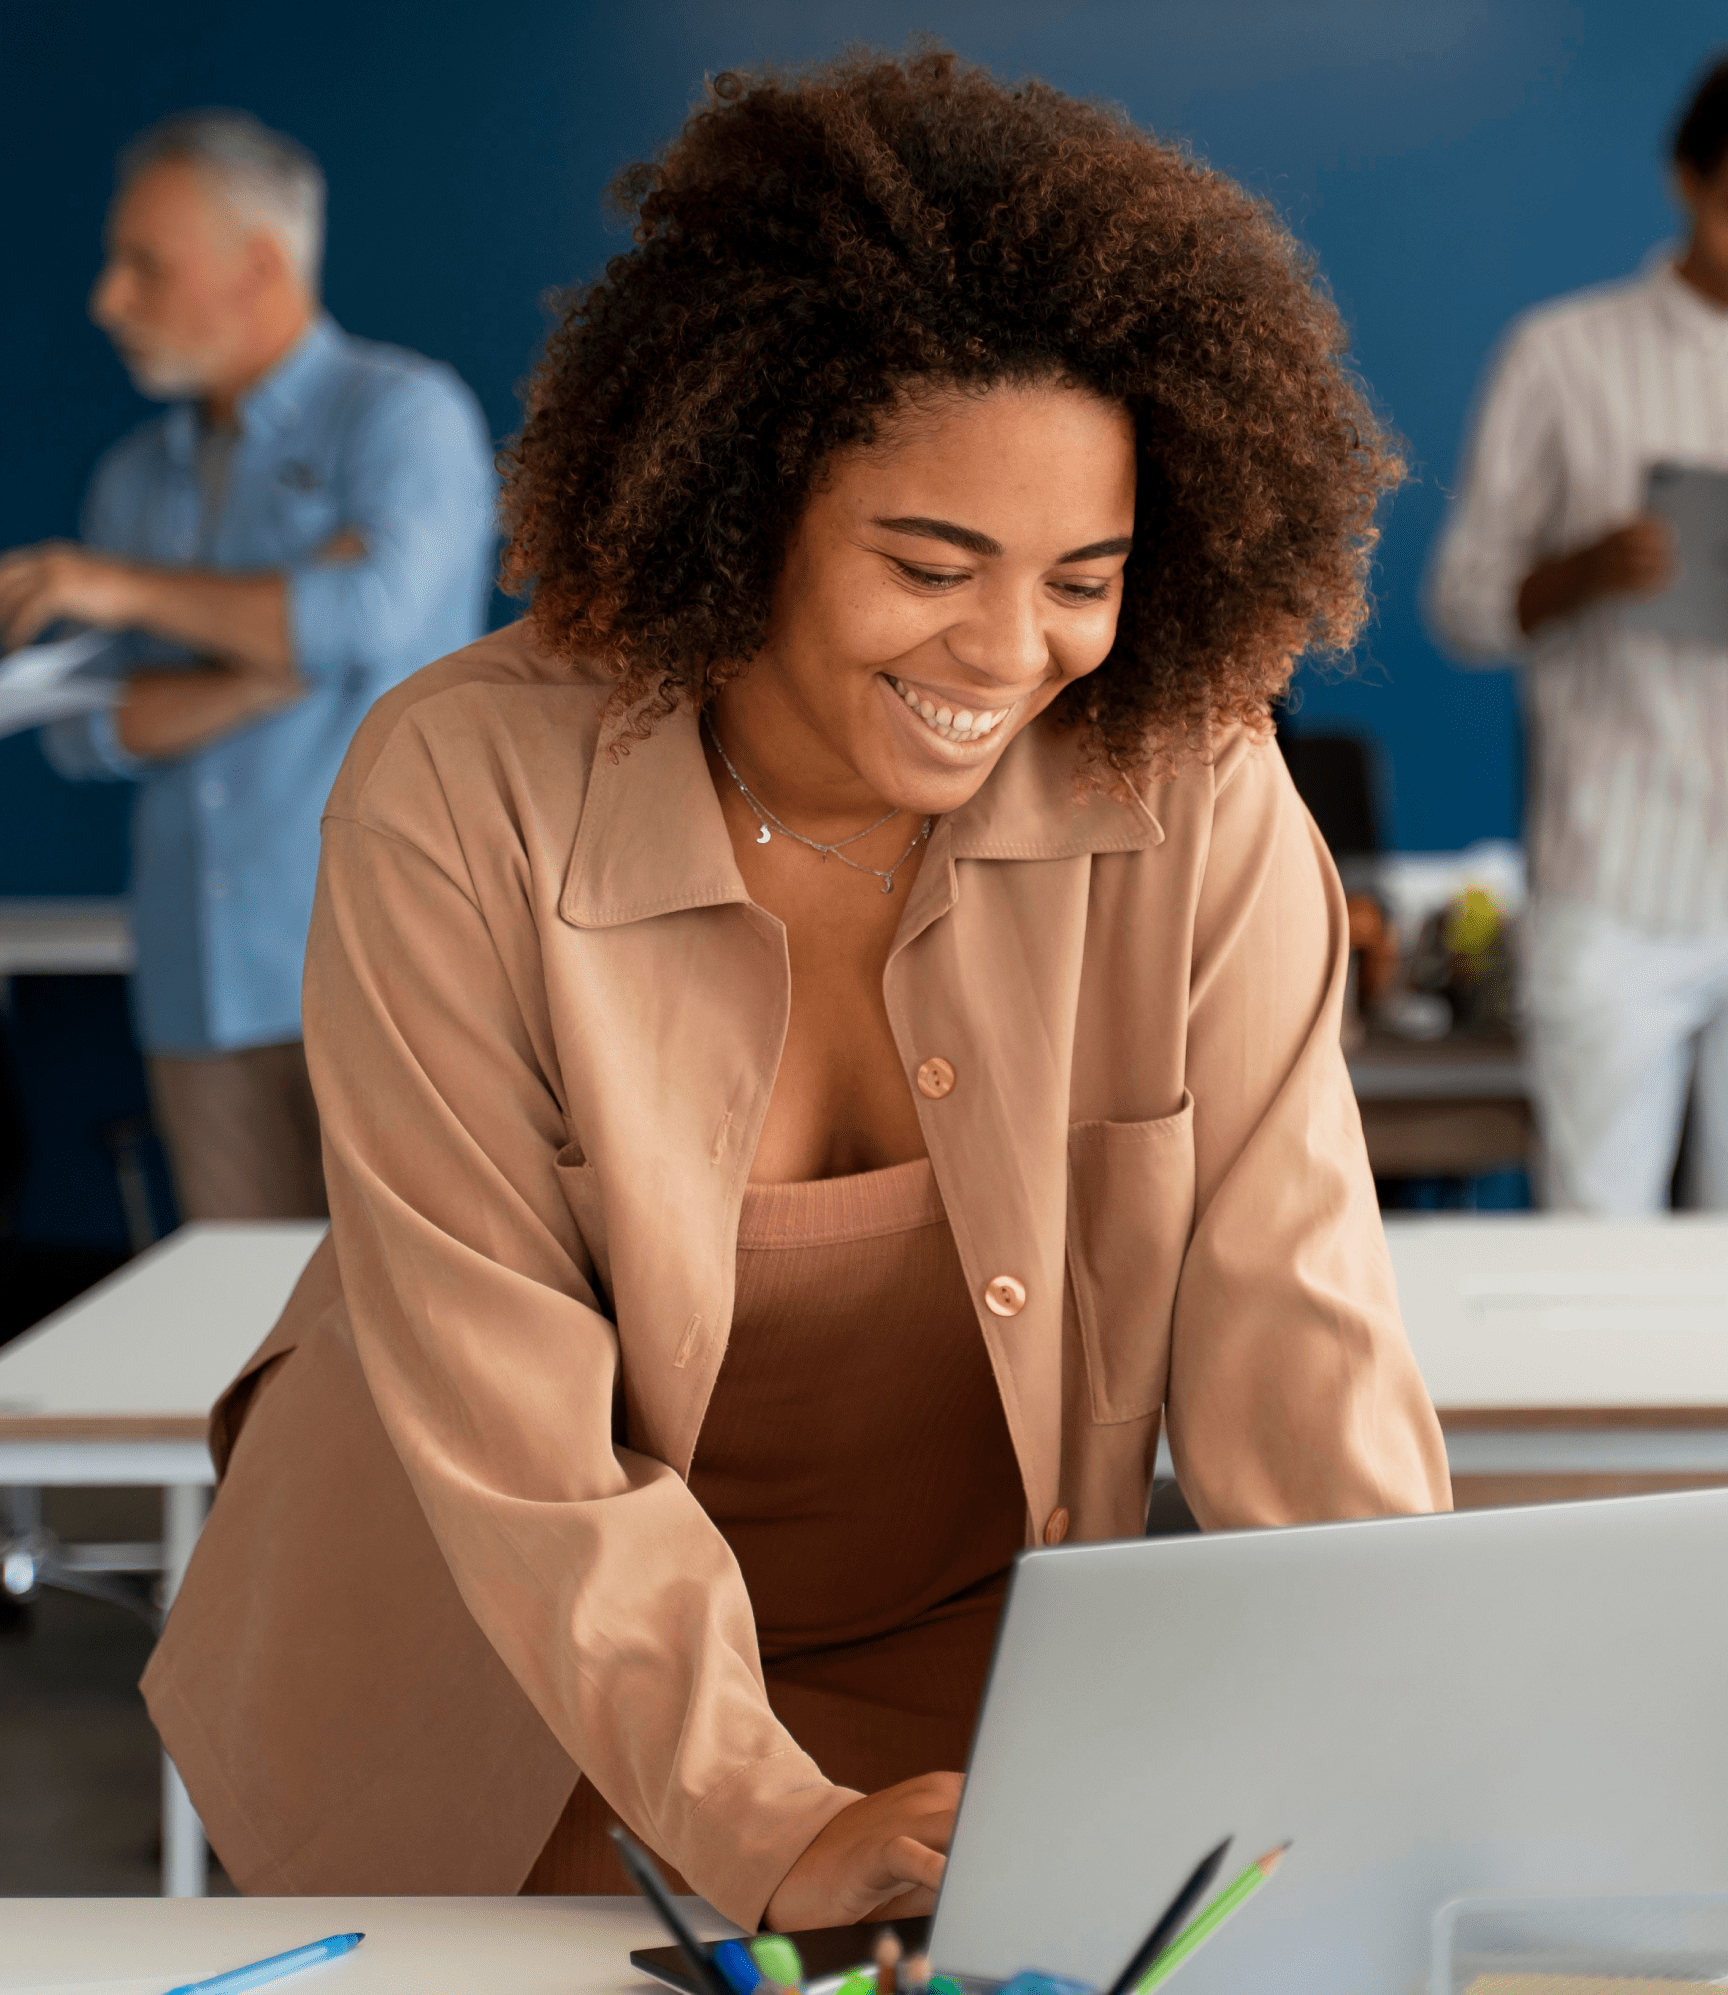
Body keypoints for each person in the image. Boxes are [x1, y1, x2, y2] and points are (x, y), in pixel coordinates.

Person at [143, 50, 1450, 1926]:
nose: (1010, 653)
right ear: (739, 497)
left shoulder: (1188, 781)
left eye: (1085, 577)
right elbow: (506, 1412)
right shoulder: (456, 788)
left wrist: (1407, 1772)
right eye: (931, 563)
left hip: (960, 1664)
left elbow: (1293, 1331)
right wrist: (761, 1823)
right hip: (498, 1676)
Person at [0, 111, 496, 1222]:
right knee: (245, 1350)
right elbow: (85, 727)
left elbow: (371, 616)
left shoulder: (405, 418)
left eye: (144, 265)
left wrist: (121, 589)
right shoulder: (134, 477)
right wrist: (267, 663)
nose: (108, 300)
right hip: (197, 991)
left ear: (258, 265)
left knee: (421, 1331)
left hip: (395, 977)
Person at [1427, 57, 1728, 1212]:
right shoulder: (1563, 354)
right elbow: (1463, 604)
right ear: (1688, 180)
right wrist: (1590, 569)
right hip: (1617, 877)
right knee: (1600, 1247)